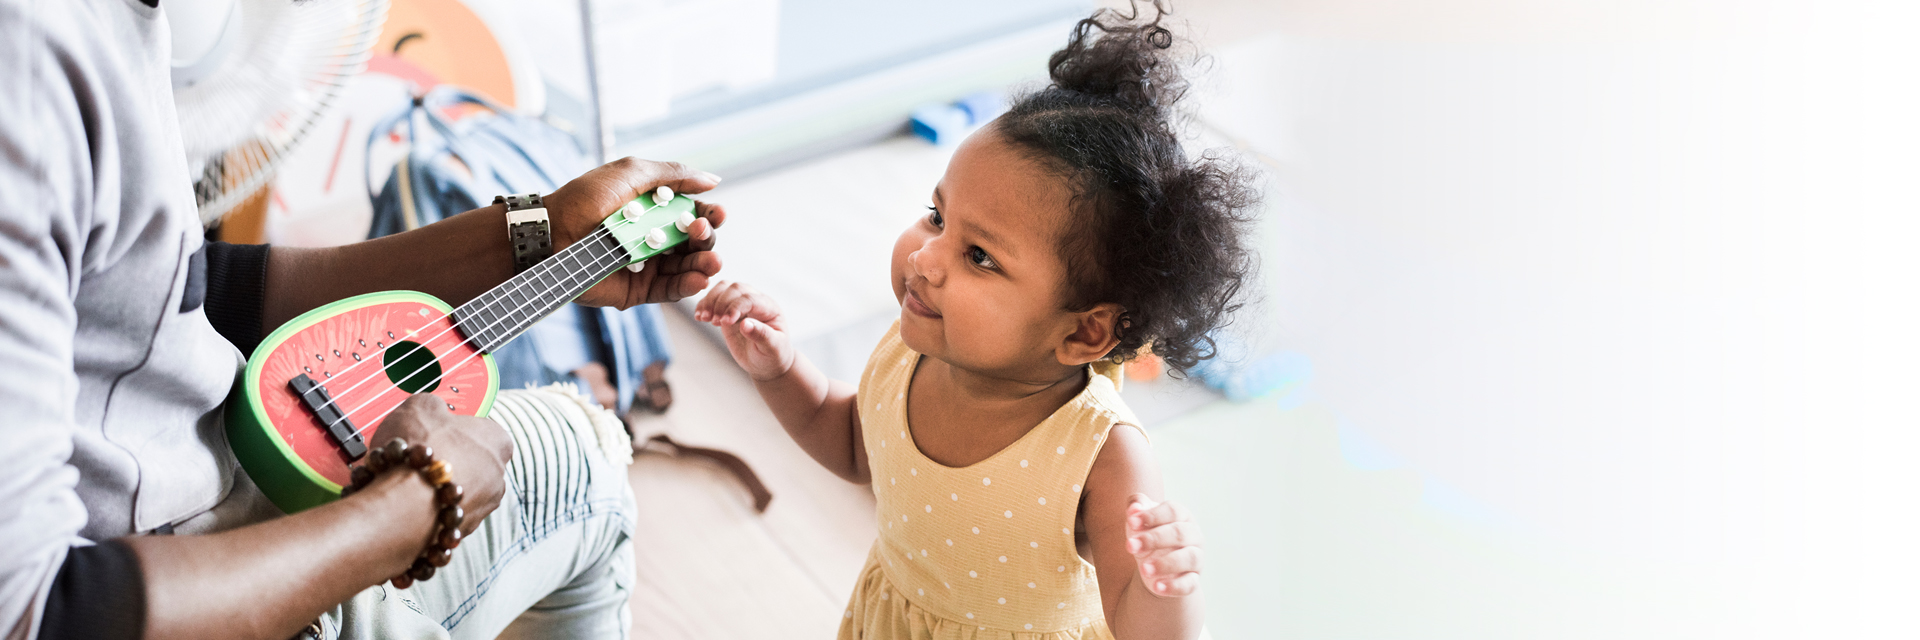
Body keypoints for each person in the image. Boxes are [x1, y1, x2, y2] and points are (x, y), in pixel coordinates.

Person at [0, 1, 727, 639]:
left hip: (215, 470)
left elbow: (166, 285)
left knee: (584, 442)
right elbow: (40, 614)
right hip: (184, 582)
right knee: (591, 479)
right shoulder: (30, 70)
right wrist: (410, 510)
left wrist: (537, 236)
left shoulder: (115, 25)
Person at [692, 3, 1257, 638]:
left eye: (979, 256)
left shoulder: (1102, 454)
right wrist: (779, 370)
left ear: (1082, 333)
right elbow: (854, 445)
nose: (926, 258)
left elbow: (1142, 628)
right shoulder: (915, 347)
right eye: (936, 216)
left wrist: (1166, 585)